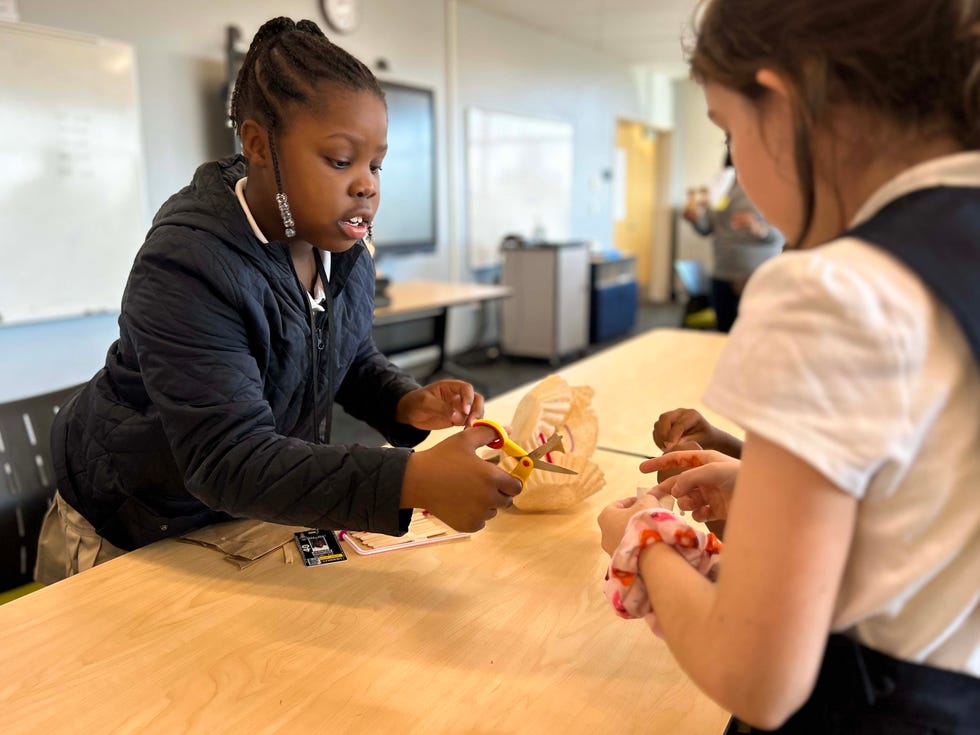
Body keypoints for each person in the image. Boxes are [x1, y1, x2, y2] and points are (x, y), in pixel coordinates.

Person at [599, 0, 979, 731]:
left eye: (729, 130)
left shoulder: (832, 287)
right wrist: (764, 485)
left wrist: (642, 540)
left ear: (784, 100)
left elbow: (756, 676)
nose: (735, 157)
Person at [35, 17, 522, 583]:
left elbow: (345, 354)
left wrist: (404, 402)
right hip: (132, 533)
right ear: (259, 144)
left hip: (241, 514)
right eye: (340, 160)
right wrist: (410, 479)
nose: (366, 184)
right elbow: (227, 458)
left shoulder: (342, 247)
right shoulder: (187, 265)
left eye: (375, 164)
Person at [683, 153, 783, 332]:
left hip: (755, 275)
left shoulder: (771, 186)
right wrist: (696, 220)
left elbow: (783, 235)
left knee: (755, 336)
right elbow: (708, 229)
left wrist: (758, 228)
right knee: (723, 333)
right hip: (723, 273)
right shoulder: (721, 186)